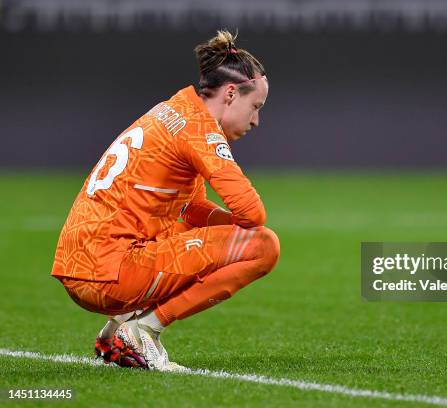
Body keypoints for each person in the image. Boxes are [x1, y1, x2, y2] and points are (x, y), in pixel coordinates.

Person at [51, 30, 280, 371]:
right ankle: (145, 329)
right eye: (256, 106)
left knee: (191, 224)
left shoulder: (172, 109)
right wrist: (236, 235)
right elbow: (252, 213)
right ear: (231, 93)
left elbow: (191, 209)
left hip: (81, 267)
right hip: (111, 274)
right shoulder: (198, 128)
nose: (257, 120)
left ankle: (115, 332)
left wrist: (225, 232)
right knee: (264, 245)